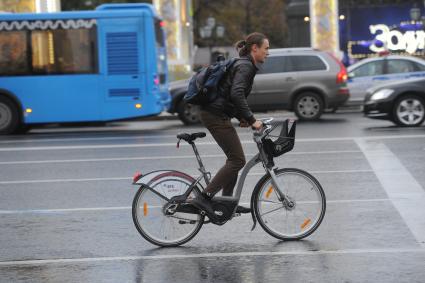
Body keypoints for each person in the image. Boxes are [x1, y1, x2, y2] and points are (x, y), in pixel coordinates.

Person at [190, 32, 270, 215]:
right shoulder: (246, 66)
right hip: (214, 115)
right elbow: (236, 94)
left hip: (216, 113)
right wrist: (251, 120)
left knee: (234, 159)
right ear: (254, 48)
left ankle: (226, 202)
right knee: (237, 160)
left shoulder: (242, 64)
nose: (268, 52)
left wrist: (241, 117)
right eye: (266, 48)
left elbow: (226, 95)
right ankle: (204, 197)